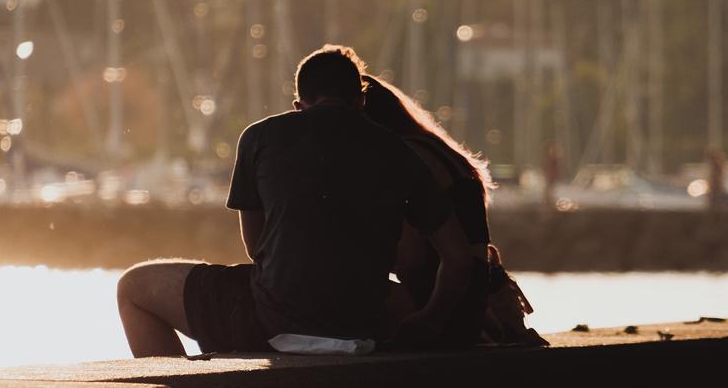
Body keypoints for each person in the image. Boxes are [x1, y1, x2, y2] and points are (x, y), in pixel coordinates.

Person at [116, 45, 474, 357]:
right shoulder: (399, 152)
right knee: (398, 302)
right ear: (361, 101)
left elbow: (256, 248)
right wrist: (430, 320)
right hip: (363, 324)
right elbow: (458, 258)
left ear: (298, 104)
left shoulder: (259, 137)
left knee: (132, 288)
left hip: (270, 320)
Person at [362, 75, 546, 348]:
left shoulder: (406, 158)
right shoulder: (441, 152)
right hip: (473, 303)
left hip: (438, 307)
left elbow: (410, 257)